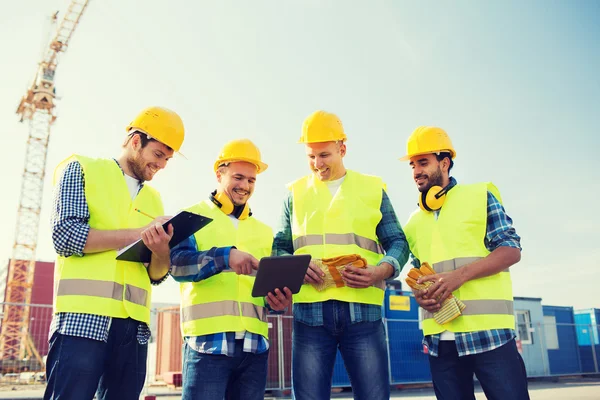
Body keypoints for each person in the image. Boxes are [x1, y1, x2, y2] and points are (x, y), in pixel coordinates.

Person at [45, 106, 186, 400]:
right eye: (158, 154)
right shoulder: (82, 168)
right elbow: (65, 236)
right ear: (136, 142)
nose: (162, 165)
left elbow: (156, 275)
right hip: (82, 320)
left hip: (132, 329)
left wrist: (161, 251)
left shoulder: (154, 199)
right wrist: (141, 233)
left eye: (167, 159)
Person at [273, 110, 410, 400]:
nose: (317, 164)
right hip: (310, 316)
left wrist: (381, 270)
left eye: (324, 155)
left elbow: (398, 241)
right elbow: (279, 248)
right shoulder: (294, 194)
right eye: (310, 156)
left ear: (342, 149)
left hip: (363, 313)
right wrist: (294, 266)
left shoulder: (373, 189)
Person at [400, 126, 529, 400]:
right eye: (412, 165)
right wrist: (420, 295)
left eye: (424, 162)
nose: (416, 171)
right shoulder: (413, 222)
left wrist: (459, 276)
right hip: (440, 342)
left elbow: (510, 248)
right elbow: (417, 271)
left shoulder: (478, 196)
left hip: (490, 336)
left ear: (444, 162)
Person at [170, 139, 292, 400]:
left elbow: (265, 290)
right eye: (238, 177)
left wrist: (277, 302)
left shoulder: (264, 231)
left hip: (254, 348)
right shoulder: (191, 216)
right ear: (219, 173)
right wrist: (224, 257)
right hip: (207, 346)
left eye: (251, 180)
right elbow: (177, 266)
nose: (245, 186)